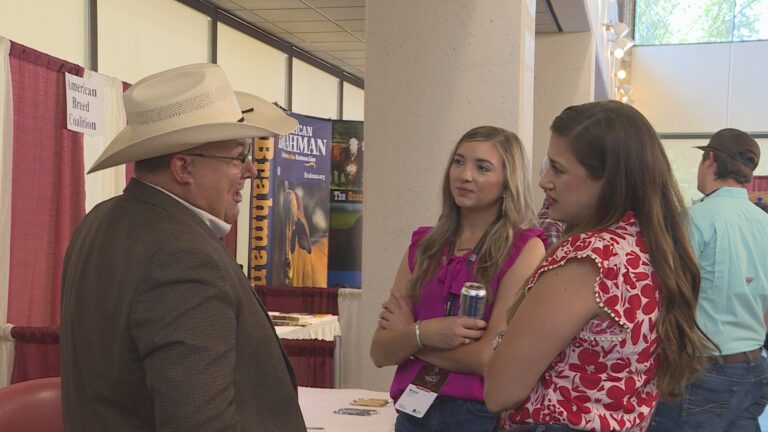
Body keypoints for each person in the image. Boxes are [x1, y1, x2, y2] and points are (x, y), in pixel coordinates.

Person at [60, 64, 306, 432]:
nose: (251, 171)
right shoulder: (182, 256)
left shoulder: (101, 220)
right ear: (183, 167)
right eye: (239, 157)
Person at [484, 100, 714, 431]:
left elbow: (501, 390)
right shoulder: (645, 249)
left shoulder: (588, 256)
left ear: (608, 180)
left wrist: (501, 340)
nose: (545, 181)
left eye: (558, 170)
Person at [369, 126, 547, 432]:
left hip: (478, 415)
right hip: (413, 412)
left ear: (508, 182)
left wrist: (412, 339)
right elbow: (380, 351)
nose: (465, 175)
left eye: (482, 167)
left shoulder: (524, 248)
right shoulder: (425, 245)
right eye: (459, 162)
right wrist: (427, 332)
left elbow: (489, 358)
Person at [649, 128, 768, 432]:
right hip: (754, 367)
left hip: (705, 370)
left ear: (710, 160)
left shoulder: (695, 219)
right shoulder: (764, 223)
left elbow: (668, 292)